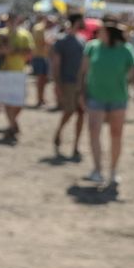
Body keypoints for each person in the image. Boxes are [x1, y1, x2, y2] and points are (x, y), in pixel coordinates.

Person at [78, 16, 134, 187]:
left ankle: (113, 170)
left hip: (118, 98)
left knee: (116, 135)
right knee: (94, 132)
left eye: (101, 31)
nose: (98, 34)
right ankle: (97, 169)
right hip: (95, 96)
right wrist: (81, 92)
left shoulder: (126, 50)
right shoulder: (92, 47)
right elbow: (83, 72)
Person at [0, 15, 34, 141]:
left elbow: (29, 52)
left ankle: (12, 123)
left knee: (19, 103)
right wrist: (2, 51)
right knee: (8, 102)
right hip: (3, 71)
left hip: (18, 71)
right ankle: (12, 126)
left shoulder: (25, 35)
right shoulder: (0, 34)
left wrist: (14, 51)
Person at [51, 13, 87, 160]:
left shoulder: (83, 41)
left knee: (81, 113)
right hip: (68, 82)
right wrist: (58, 84)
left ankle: (76, 146)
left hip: (81, 83)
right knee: (69, 111)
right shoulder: (62, 41)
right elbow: (56, 65)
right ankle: (59, 132)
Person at [30, 15, 53, 107]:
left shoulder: (40, 28)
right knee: (40, 79)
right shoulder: (39, 29)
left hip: (43, 56)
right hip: (39, 56)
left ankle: (41, 98)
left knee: (43, 79)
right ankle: (39, 99)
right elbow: (42, 42)